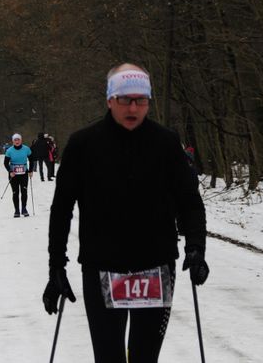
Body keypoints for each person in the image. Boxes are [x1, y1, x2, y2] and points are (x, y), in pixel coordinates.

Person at [42, 63, 208, 363]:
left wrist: (196, 247)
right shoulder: (83, 144)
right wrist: (56, 266)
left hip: (156, 268)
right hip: (102, 268)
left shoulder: (166, 143)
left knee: (145, 359)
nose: (133, 107)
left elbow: (190, 201)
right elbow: (62, 209)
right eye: (124, 100)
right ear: (109, 100)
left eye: (140, 100)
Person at [4, 133, 33, 217]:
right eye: (15, 140)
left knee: (24, 191)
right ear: (13, 141)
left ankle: (24, 209)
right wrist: (10, 171)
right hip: (13, 174)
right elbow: (5, 163)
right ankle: (16, 210)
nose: (17, 141)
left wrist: (30, 171)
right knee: (15, 192)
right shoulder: (9, 150)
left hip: (24, 174)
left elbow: (31, 159)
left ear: (21, 140)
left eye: (18, 139)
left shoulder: (26, 149)